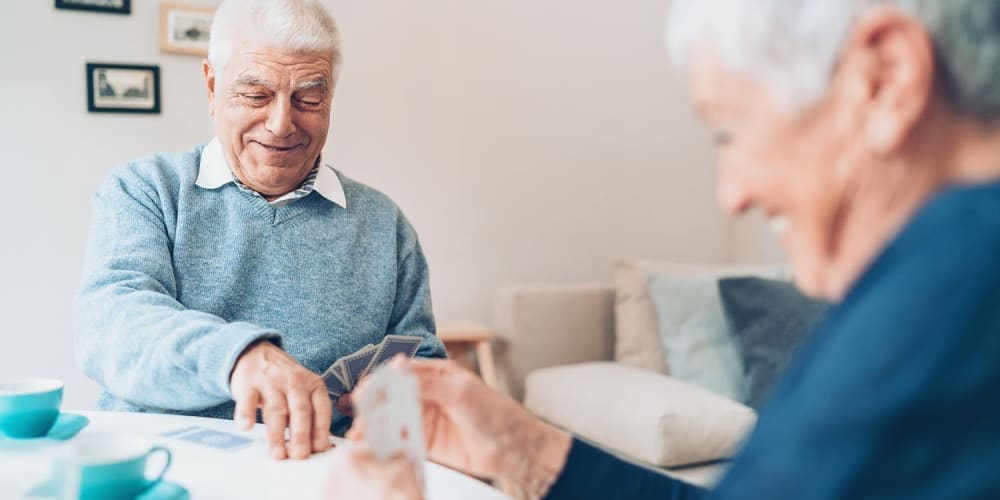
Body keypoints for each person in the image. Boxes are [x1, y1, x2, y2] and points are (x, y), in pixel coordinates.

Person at [329, 0, 1000, 497]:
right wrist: (528, 451)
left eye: (729, 132)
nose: (730, 195)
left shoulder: (954, 277)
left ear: (885, 79)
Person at [73, 0, 446, 461]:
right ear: (212, 87)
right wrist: (241, 357)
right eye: (255, 96)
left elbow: (425, 362)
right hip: (158, 465)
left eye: (309, 99)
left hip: (321, 474)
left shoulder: (384, 224)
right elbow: (110, 325)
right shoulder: (146, 189)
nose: (281, 123)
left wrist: (398, 397)